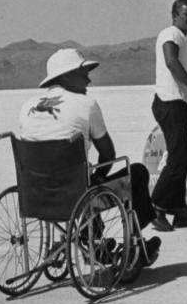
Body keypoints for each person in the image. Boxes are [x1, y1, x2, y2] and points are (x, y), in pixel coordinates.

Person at [19, 48, 161, 265]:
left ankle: (91, 236)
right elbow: (108, 153)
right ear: (66, 76)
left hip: (36, 196)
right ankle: (132, 243)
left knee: (85, 178)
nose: (89, 79)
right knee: (137, 173)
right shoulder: (86, 105)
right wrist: (97, 175)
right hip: (77, 196)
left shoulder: (26, 107)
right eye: (82, 73)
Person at [151, 0, 187, 231]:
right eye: (186, 15)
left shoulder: (179, 36)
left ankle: (179, 211)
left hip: (177, 103)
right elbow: (171, 62)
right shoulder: (171, 34)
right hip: (169, 103)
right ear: (174, 15)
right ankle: (156, 207)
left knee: (181, 158)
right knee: (177, 159)